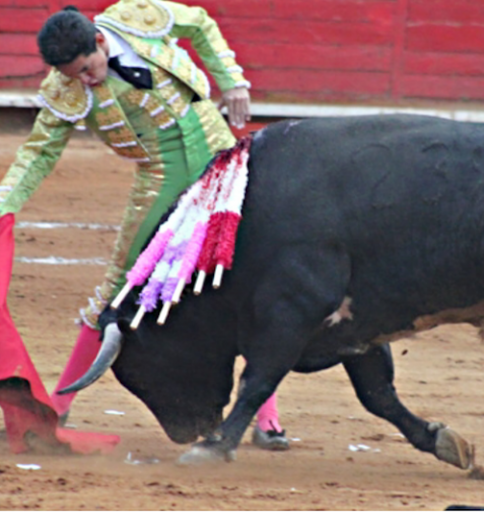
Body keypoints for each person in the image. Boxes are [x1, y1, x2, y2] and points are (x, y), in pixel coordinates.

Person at [0, 0, 288, 452]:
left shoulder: (136, 19)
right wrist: (5, 201)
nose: (85, 80)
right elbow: (39, 151)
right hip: (161, 176)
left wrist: (232, 82)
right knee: (118, 286)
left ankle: (265, 416)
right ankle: (57, 405)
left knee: (246, 278)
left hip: (220, 152)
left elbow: (201, 23)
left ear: (99, 40)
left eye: (88, 69)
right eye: (74, 76)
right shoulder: (65, 88)